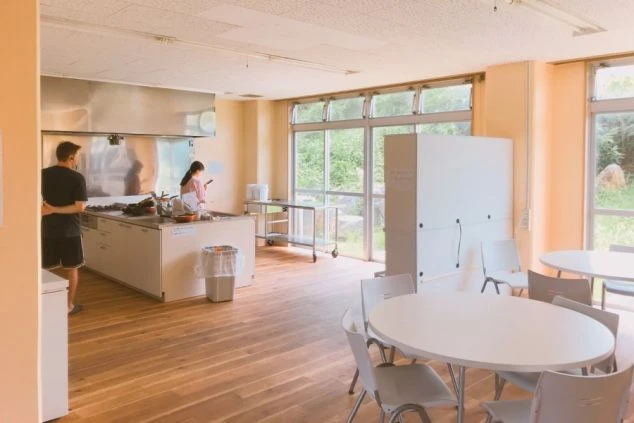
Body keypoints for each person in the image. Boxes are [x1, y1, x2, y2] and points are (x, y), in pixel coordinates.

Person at [41, 141, 88, 315]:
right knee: (72, 269)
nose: (78, 160)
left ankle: (43, 305)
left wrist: (49, 210)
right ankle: (68, 306)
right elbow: (80, 207)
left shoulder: (42, 174)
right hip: (70, 231)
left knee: (44, 268)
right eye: (78, 157)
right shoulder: (77, 178)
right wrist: (56, 209)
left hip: (47, 229)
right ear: (71, 157)